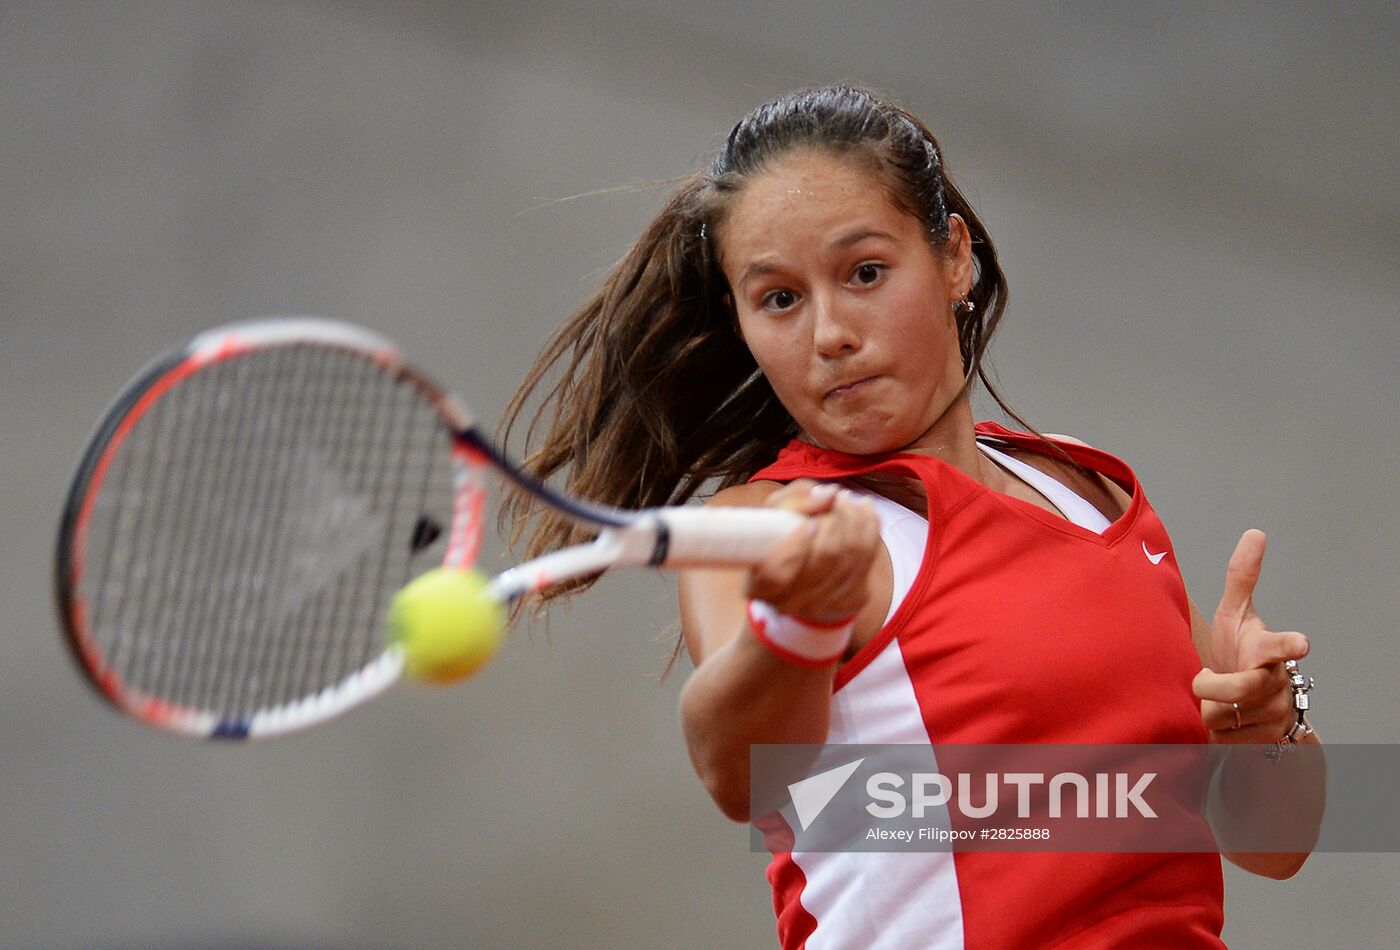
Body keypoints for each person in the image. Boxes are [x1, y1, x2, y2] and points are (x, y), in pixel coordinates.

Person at [500, 85, 1323, 948]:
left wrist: (1269, 729)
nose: (829, 334)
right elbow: (739, 777)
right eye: (780, 299)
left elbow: (1274, 845)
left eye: (864, 273)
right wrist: (799, 623)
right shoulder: (769, 525)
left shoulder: (1088, 488)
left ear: (954, 258)